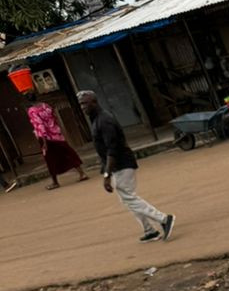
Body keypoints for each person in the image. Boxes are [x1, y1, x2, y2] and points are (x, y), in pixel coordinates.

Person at [77, 90, 174, 243]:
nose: (82, 107)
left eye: (85, 103)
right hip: (117, 165)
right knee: (127, 199)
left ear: (94, 102)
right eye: (80, 104)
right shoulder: (97, 119)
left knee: (129, 197)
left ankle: (163, 219)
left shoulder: (104, 120)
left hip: (122, 164)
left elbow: (112, 149)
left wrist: (107, 175)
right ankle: (149, 230)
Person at [24, 92, 87, 190]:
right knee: (68, 153)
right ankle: (82, 173)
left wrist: (44, 142)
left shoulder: (32, 111)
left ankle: (55, 182)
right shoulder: (46, 105)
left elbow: (40, 126)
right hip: (57, 134)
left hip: (47, 138)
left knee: (50, 160)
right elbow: (54, 117)